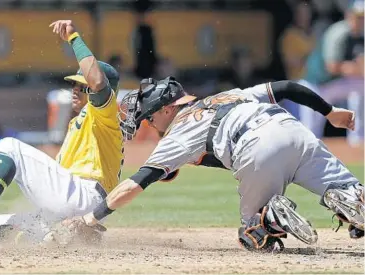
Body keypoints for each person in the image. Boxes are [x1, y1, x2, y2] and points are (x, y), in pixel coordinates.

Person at [65, 76, 363, 252]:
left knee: (253, 238)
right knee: (350, 188)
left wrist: (92, 219)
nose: (151, 126)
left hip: (253, 148)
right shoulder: (227, 95)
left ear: (169, 108)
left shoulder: (177, 133)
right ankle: (348, 196)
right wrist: (330, 111)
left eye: (151, 117)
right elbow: (285, 86)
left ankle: (268, 217)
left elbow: (136, 183)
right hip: (292, 129)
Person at [0, 20, 124, 242]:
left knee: (8, 146)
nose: (76, 90)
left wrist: (73, 37)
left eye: (83, 86)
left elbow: (97, 81)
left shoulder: (102, 112)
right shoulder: (84, 122)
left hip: (83, 193)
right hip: (82, 204)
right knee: (1, 227)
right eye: (74, 85)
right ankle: (60, 237)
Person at [299, 0, 364, 145]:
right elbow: (332, 67)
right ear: (349, 15)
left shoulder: (362, 34)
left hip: (335, 84)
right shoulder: (339, 33)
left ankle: (359, 140)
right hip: (315, 85)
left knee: (362, 86)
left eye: (363, 17)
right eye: (358, 16)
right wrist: (357, 68)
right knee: (310, 133)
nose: (361, 20)